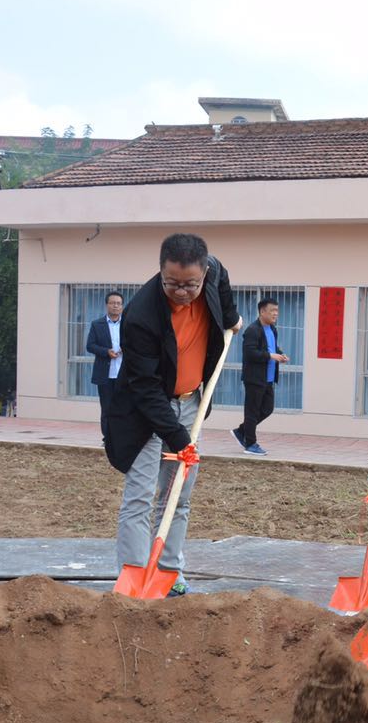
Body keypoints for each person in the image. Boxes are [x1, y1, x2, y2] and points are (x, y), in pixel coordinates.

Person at [103, 233, 238, 597]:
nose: (181, 292)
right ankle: (133, 580)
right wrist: (179, 438)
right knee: (141, 495)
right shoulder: (141, 316)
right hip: (145, 413)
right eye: (172, 283)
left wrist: (232, 315)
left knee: (178, 495)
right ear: (161, 271)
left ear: (202, 273)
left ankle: (169, 571)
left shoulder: (212, 273)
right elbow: (145, 389)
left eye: (190, 285)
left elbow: (222, 278)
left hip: (191, 402)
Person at [234, 296, 288, 456]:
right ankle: (250, 444)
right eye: (273, 311)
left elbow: (271, 347)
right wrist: (271, 356)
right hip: (254, 378)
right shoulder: (252, 330)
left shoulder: (272, 329)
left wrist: (280, 354)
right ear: (262, 311)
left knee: (267, 409)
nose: (276, 314)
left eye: (277, 311)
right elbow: (250, 353)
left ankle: (241, 431)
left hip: (268, 378)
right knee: (252, 412)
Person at [85, 290, 124, 428]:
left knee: (123, 408)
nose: (115, 306)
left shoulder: (128, 324)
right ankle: (107, 439)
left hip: (123, 375)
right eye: (112, 303)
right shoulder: (97, 324)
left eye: (118, 303)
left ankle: (121, 438)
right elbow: (90, 346)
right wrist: (106, 352)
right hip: (105, 375)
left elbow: (136, 343)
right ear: (107, 305)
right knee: (107, 409)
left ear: (122, 306)